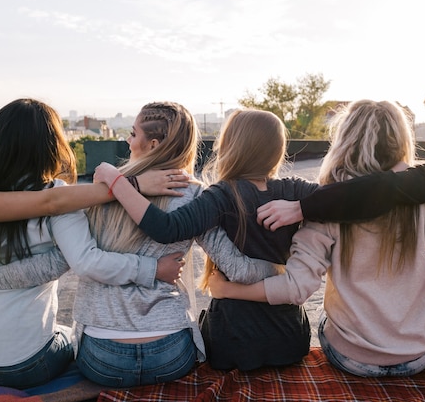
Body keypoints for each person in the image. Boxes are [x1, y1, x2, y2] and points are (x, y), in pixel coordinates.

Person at [0, 101, 279, 386]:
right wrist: (284, 266)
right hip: (170, 354)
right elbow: (238, 268)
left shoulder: (97, 194)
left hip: (101, 359)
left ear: (152, 144)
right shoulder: (195, 196)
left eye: (133, 134)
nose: (127, 139)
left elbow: (53, 266)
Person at [209, 99, 425, 377]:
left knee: (328, 320)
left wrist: (229, 290)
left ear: (345, 141)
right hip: (416, 356)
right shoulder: (424, 205)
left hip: (352, 357)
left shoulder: (327, 205)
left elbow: (296, 289)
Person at [0, 99, 193, 390]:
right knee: (66, 338)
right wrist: (153, 268)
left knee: (65, 333)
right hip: (24, 364)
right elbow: (79, 261)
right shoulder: (59, 196)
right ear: (53, 144)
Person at [94, 108, 318, 371]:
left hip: (233, 340)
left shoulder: (221, 195)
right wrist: (302, 207)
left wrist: (118, 181)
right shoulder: (296, 190)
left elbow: (166, 228)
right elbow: (340, 195)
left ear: (230, 146)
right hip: (290, 338)